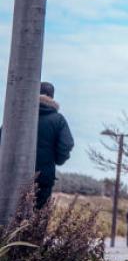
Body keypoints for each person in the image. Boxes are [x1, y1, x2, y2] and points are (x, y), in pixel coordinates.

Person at [1, 81, 76, 209]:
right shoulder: (58, 120)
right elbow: (66, 144)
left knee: (9, 214)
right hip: (43, 177)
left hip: (12, 174)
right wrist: (58, 159)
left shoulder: (17, 115)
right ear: (51, 97)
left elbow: (2, 137)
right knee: (38, 219)